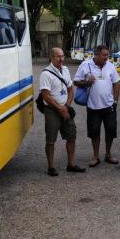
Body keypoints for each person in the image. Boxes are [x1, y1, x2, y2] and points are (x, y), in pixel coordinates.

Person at [39, 47, 86, 176]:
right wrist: (60, 109)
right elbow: (46, 95)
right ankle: (51, 167)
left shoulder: (65, 70)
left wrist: (66, 105)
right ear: (52, 57)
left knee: (71, 136)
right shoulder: (45, 74)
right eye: (58, 56)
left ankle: (71, 164)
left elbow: (70, 89)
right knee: (51, 139)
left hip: (65, 108)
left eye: (63, 56)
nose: (61, 59)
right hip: (52, 110)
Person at [74, 45, 120, 167]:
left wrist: (115, 101)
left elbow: (116, 83)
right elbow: (75, 81)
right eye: (104, 55)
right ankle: (95, 156)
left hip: (109, 106)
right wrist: (86, 82)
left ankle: (108, 154)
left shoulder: (110, 66)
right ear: (97, 55)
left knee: (110, 131)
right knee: (94, 132)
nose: (107, 57)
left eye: (107, 55)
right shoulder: (85, 65)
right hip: (93, 107)